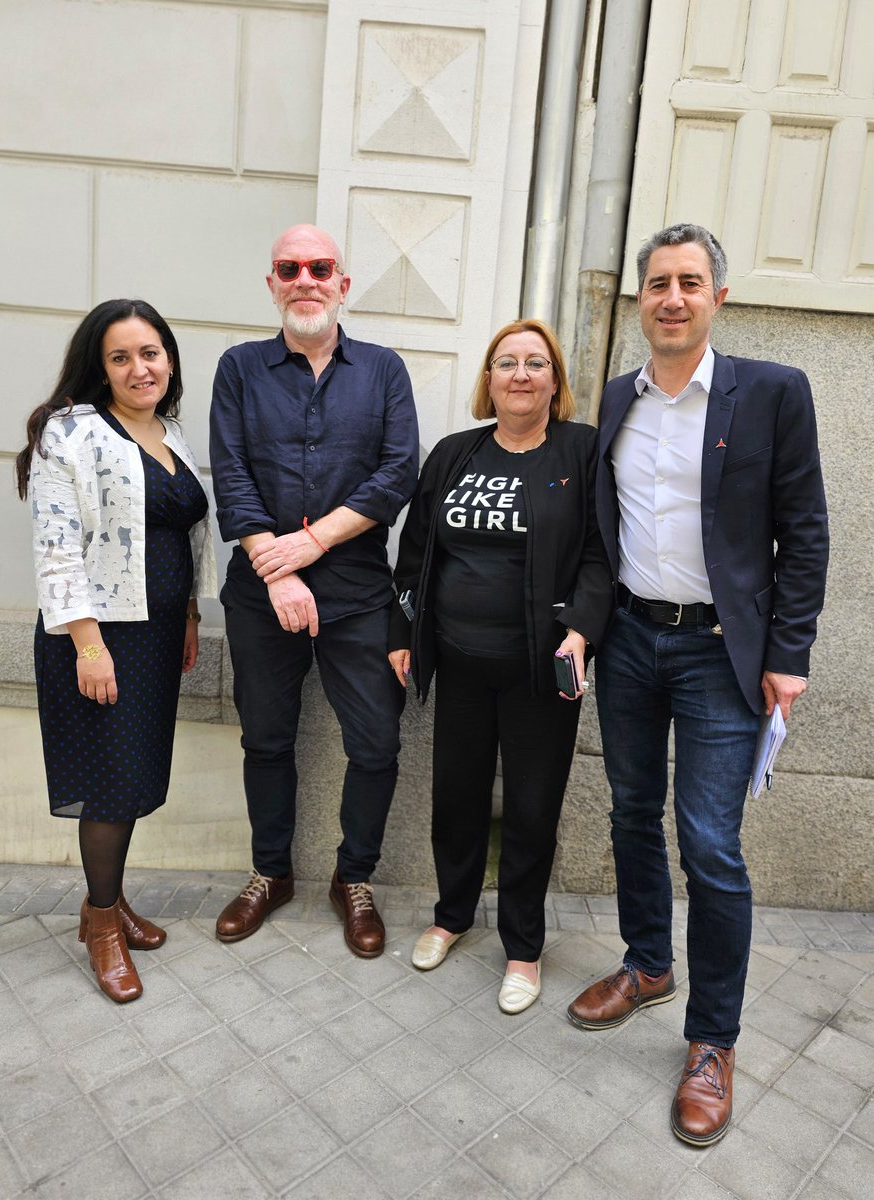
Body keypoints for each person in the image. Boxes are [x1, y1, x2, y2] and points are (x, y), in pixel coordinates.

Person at [565, 224, 829, 1144]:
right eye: (657, 284)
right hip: (634, 640)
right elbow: (607, 532)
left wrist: (787, 653)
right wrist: (588, 631)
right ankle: (647, 965)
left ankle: (712, 1041)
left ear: (719, 295)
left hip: (723, 654)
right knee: (630, 811)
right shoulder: (618, 399)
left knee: (710, 842)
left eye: (689, 282)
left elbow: (806, 531)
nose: (671, 297)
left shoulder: (771, 393)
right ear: (640, 301)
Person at [388, 319, 613, 1013]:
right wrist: (403, 632)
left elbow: (604, 555)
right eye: (506, 362)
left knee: (530, 809)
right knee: (454, 798)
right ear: (488, 379)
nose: (520, 374)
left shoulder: (582, 451)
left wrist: (581, 629)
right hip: (457, 663)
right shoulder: (456, 454)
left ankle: (522, 948)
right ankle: (451, 916)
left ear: (555, 382)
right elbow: (418, 551)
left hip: (540, 672)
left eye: (535, 364)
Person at [209, 224, 418, 957]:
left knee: (377, 743)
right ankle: (272, 873)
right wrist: (281, 568)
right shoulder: (239, 369)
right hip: (260, 594)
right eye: (289, 268)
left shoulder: (384, 371)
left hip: (359, 593)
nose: (306, 278)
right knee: (266, 739)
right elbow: (229, 477)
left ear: (342, 283)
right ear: (272, 284)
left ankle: (351, 878)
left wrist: (315, 541)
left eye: (320, 267)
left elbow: (398, 473)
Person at [16, 299, 216, 1004]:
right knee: (107, 783)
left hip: (159, 634)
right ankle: (101, 923)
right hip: (99, 638)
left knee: (131, 776)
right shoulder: (68, 433)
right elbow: (56, 545)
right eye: (121, 356)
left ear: (169, 358)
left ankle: (111, 899)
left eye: (151, 352)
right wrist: (88, 646)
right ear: (99, 367)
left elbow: (187, 536)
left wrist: (190, 612)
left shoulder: (173, 433)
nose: (140, 368)